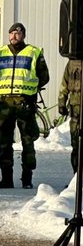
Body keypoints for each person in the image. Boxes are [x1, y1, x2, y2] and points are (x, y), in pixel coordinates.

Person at [0, 22, 50, 189]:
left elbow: (44, 76)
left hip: (25, 103)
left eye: (18, 33)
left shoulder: (34, 52)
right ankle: (6, 180)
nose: (14, 36)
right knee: (4, 143)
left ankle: (27, 179)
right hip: (4, 104)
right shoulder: (1, 52)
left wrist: (31, 89)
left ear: (23, 35)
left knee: (28, 142)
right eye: (11, 33)